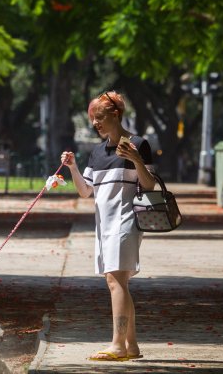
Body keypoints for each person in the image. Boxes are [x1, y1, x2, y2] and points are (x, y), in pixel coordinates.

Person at [60, 91, 155, 362]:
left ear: (116, 114)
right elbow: (85, 192)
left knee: (115, 280)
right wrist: (73, 168)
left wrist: (136, 159)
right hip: (104, 224)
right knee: (118, 282)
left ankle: (117, 344)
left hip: (128, 221)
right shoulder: (97, 152)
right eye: (92, 119)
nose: (95, 124)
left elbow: (149, 186)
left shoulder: (138, 143)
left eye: (99, 118)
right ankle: (132, 345)